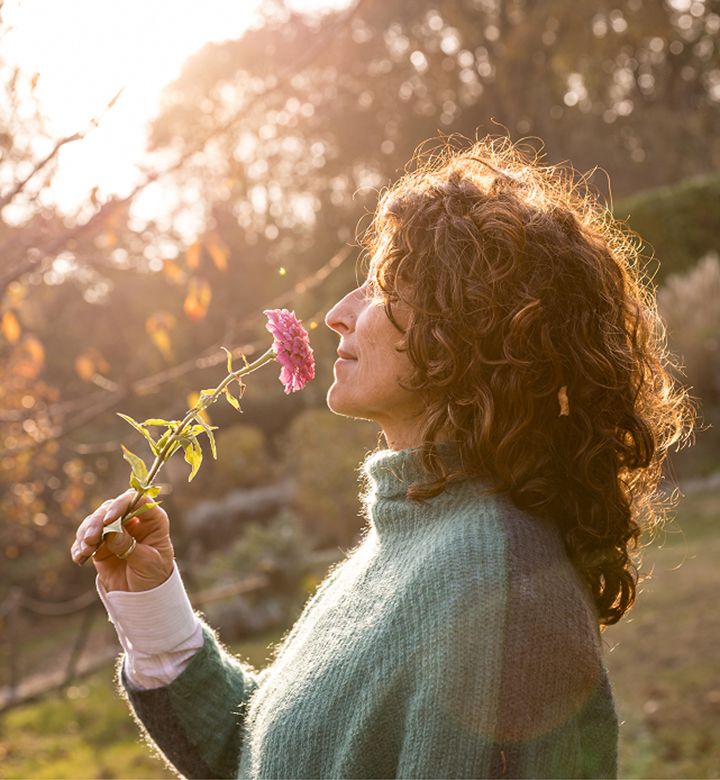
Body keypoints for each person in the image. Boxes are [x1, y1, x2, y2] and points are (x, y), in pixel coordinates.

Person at [71, 136, 694, 779]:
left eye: (383, 285)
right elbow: (268, 760)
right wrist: (155, 613)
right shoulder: (409, 541)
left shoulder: (501, 597)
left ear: (467, 326)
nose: (339, 314)